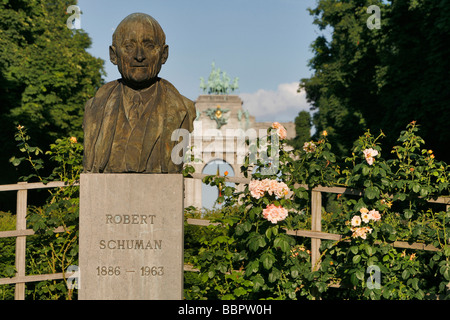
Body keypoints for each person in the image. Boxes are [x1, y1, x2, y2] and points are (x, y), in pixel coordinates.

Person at [82, 13, 195, 173]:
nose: (139, 56)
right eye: (129, 47)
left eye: (149, 46)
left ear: (164, 54)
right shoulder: (94, 109)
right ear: (113, 55)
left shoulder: (184, 109)